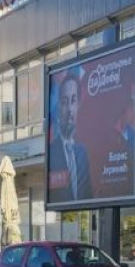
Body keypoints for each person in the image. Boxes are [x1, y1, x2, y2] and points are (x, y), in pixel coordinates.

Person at [48, 74, 93, 202]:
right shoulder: (52, 152)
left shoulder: (82, 152)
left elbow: (88, 196)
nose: (69, 110)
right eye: (64, 102)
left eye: (73, 101)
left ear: (78, 105)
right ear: (58, 109)